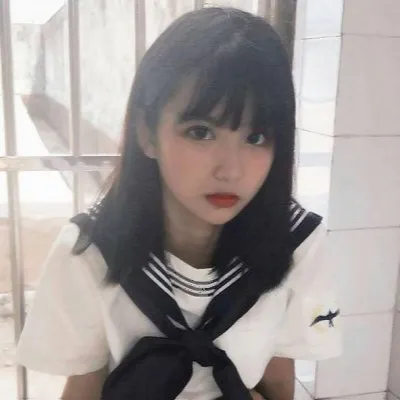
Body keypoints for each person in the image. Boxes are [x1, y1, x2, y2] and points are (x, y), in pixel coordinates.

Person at [16, 7, 341, 400]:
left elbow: (277, 381)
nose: (230, 170)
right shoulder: (90, 251)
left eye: (256, 137)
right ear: (147, 133)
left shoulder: (297, 244)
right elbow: (85, 387)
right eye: (201, 132)